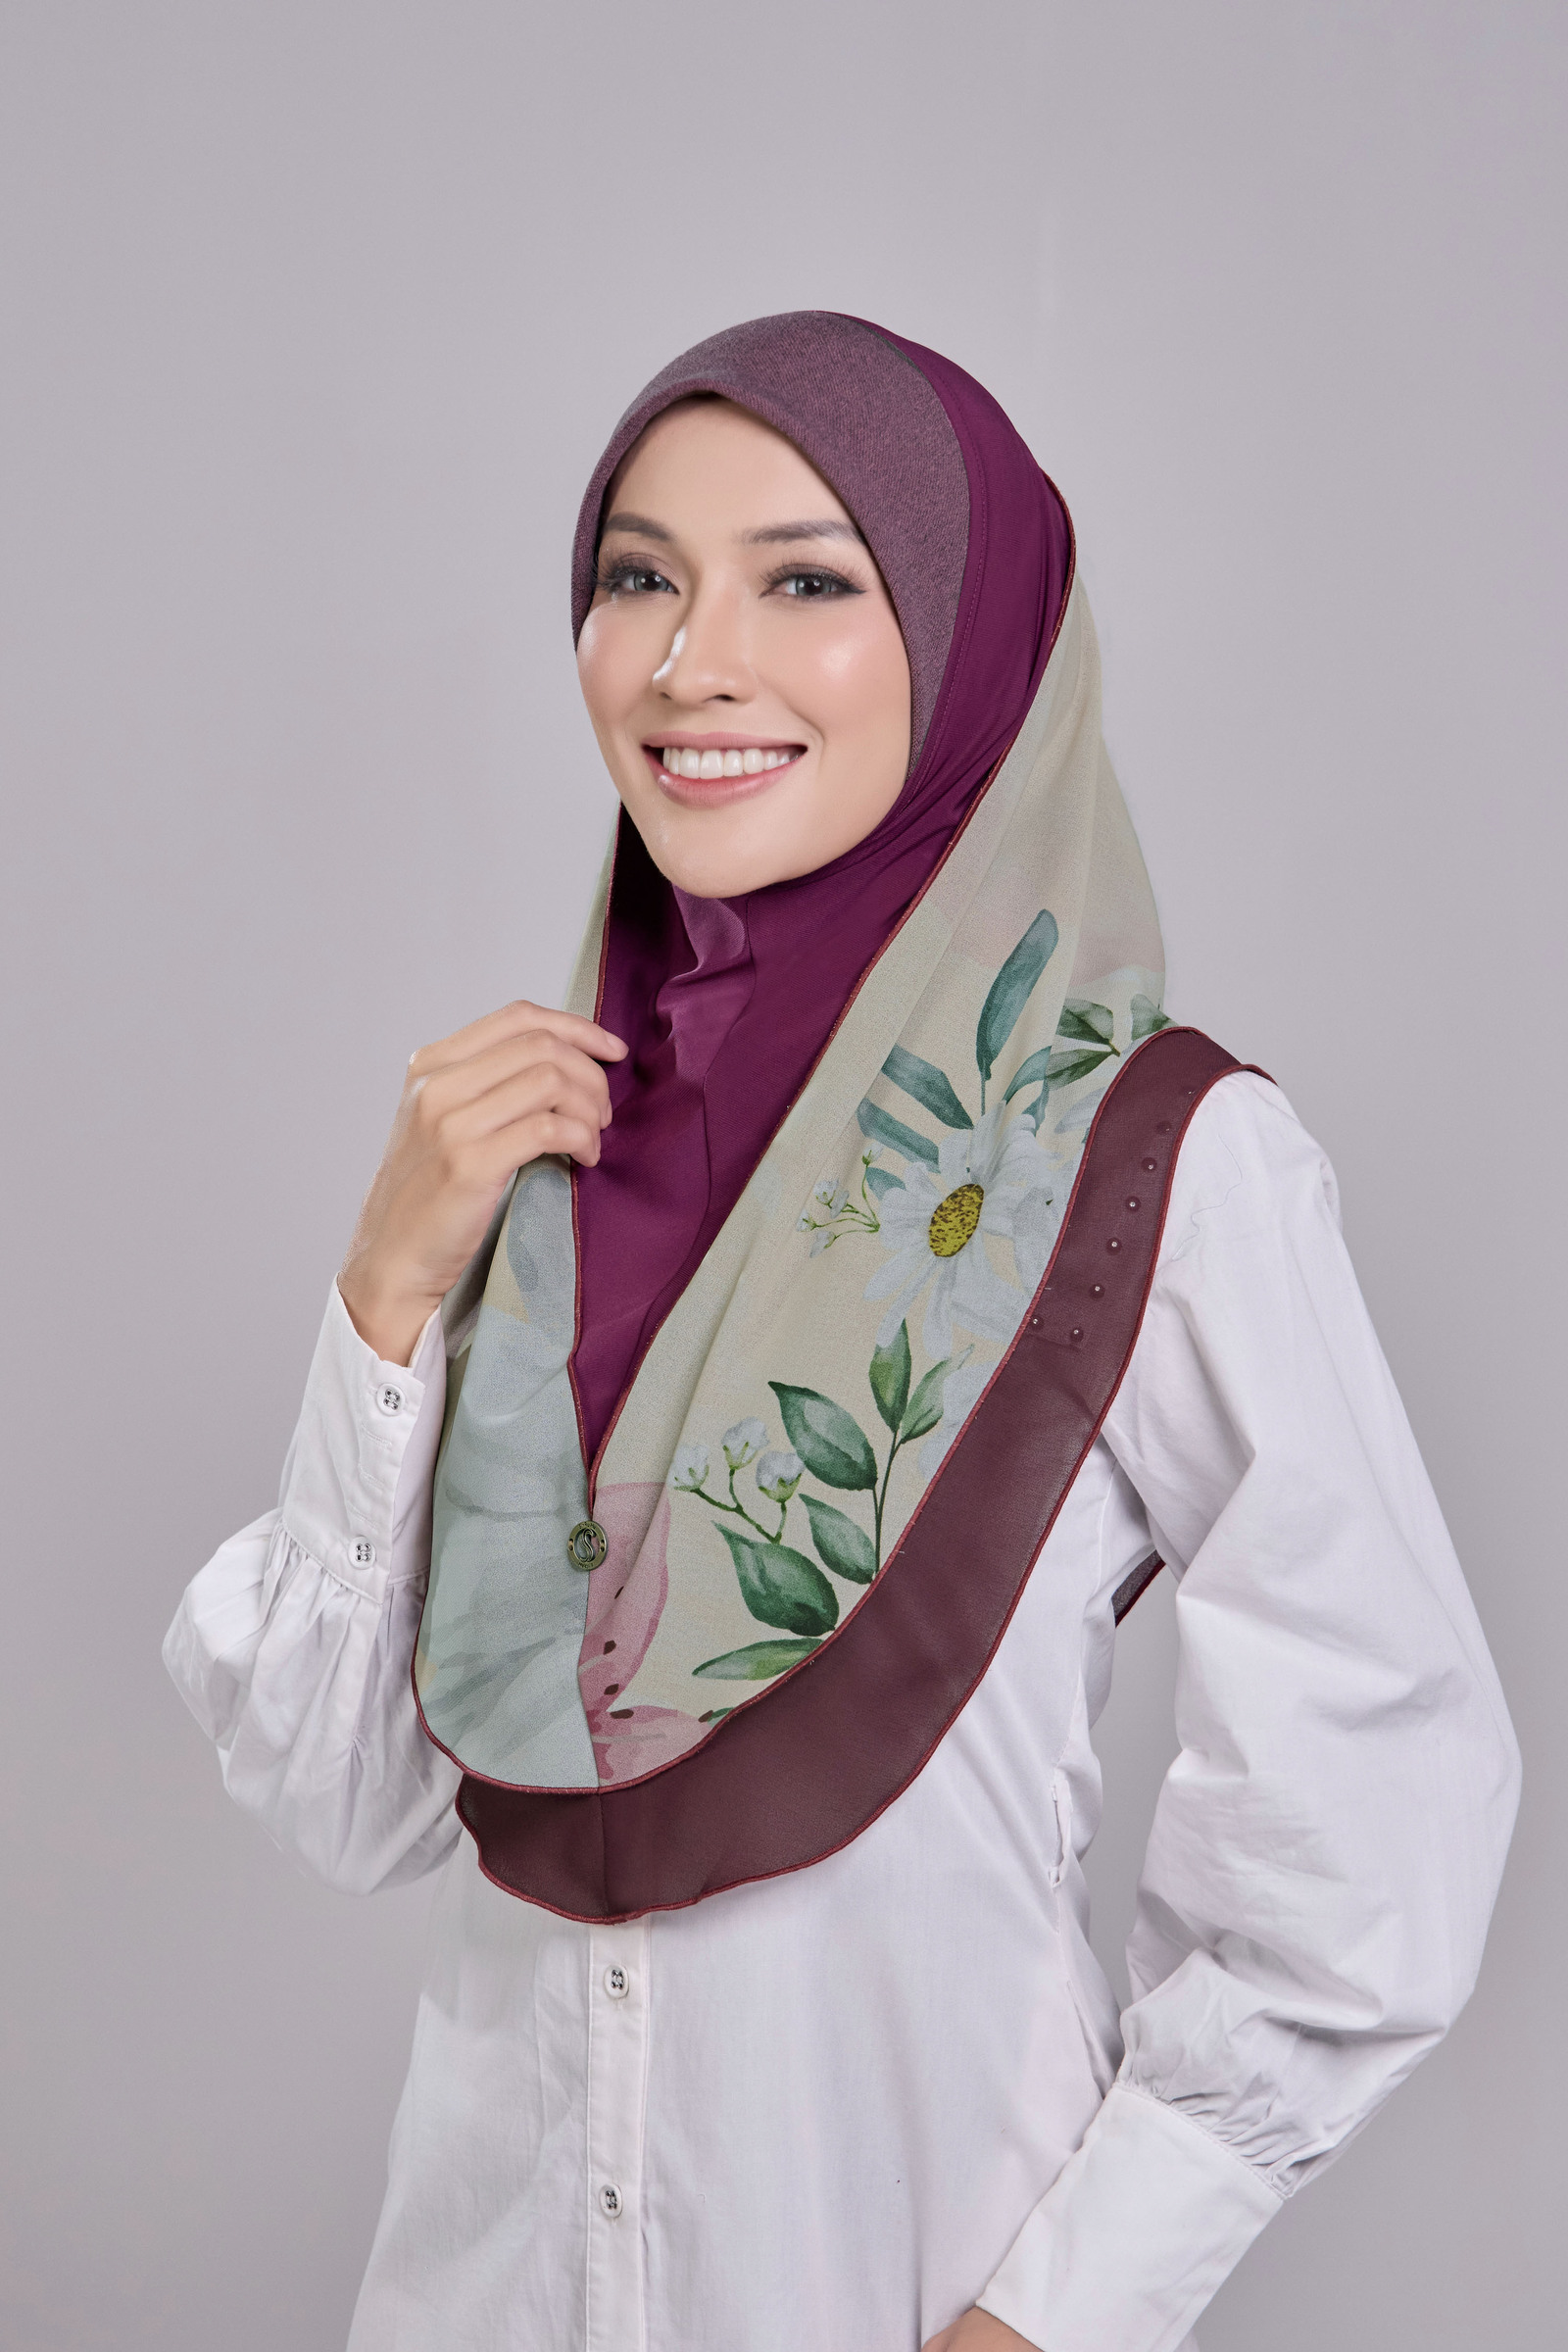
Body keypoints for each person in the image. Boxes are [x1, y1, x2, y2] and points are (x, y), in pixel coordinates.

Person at [165, 312, 1519, 2352]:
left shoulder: (1136, 1160)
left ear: (970, 647)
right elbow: (351, 1800)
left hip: (904, 2294)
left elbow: (1376, 1803)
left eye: (805, 582)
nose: (691, 662)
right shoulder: (532, 1153)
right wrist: (384, 1289)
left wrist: (1056, 2318)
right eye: (639, 576)